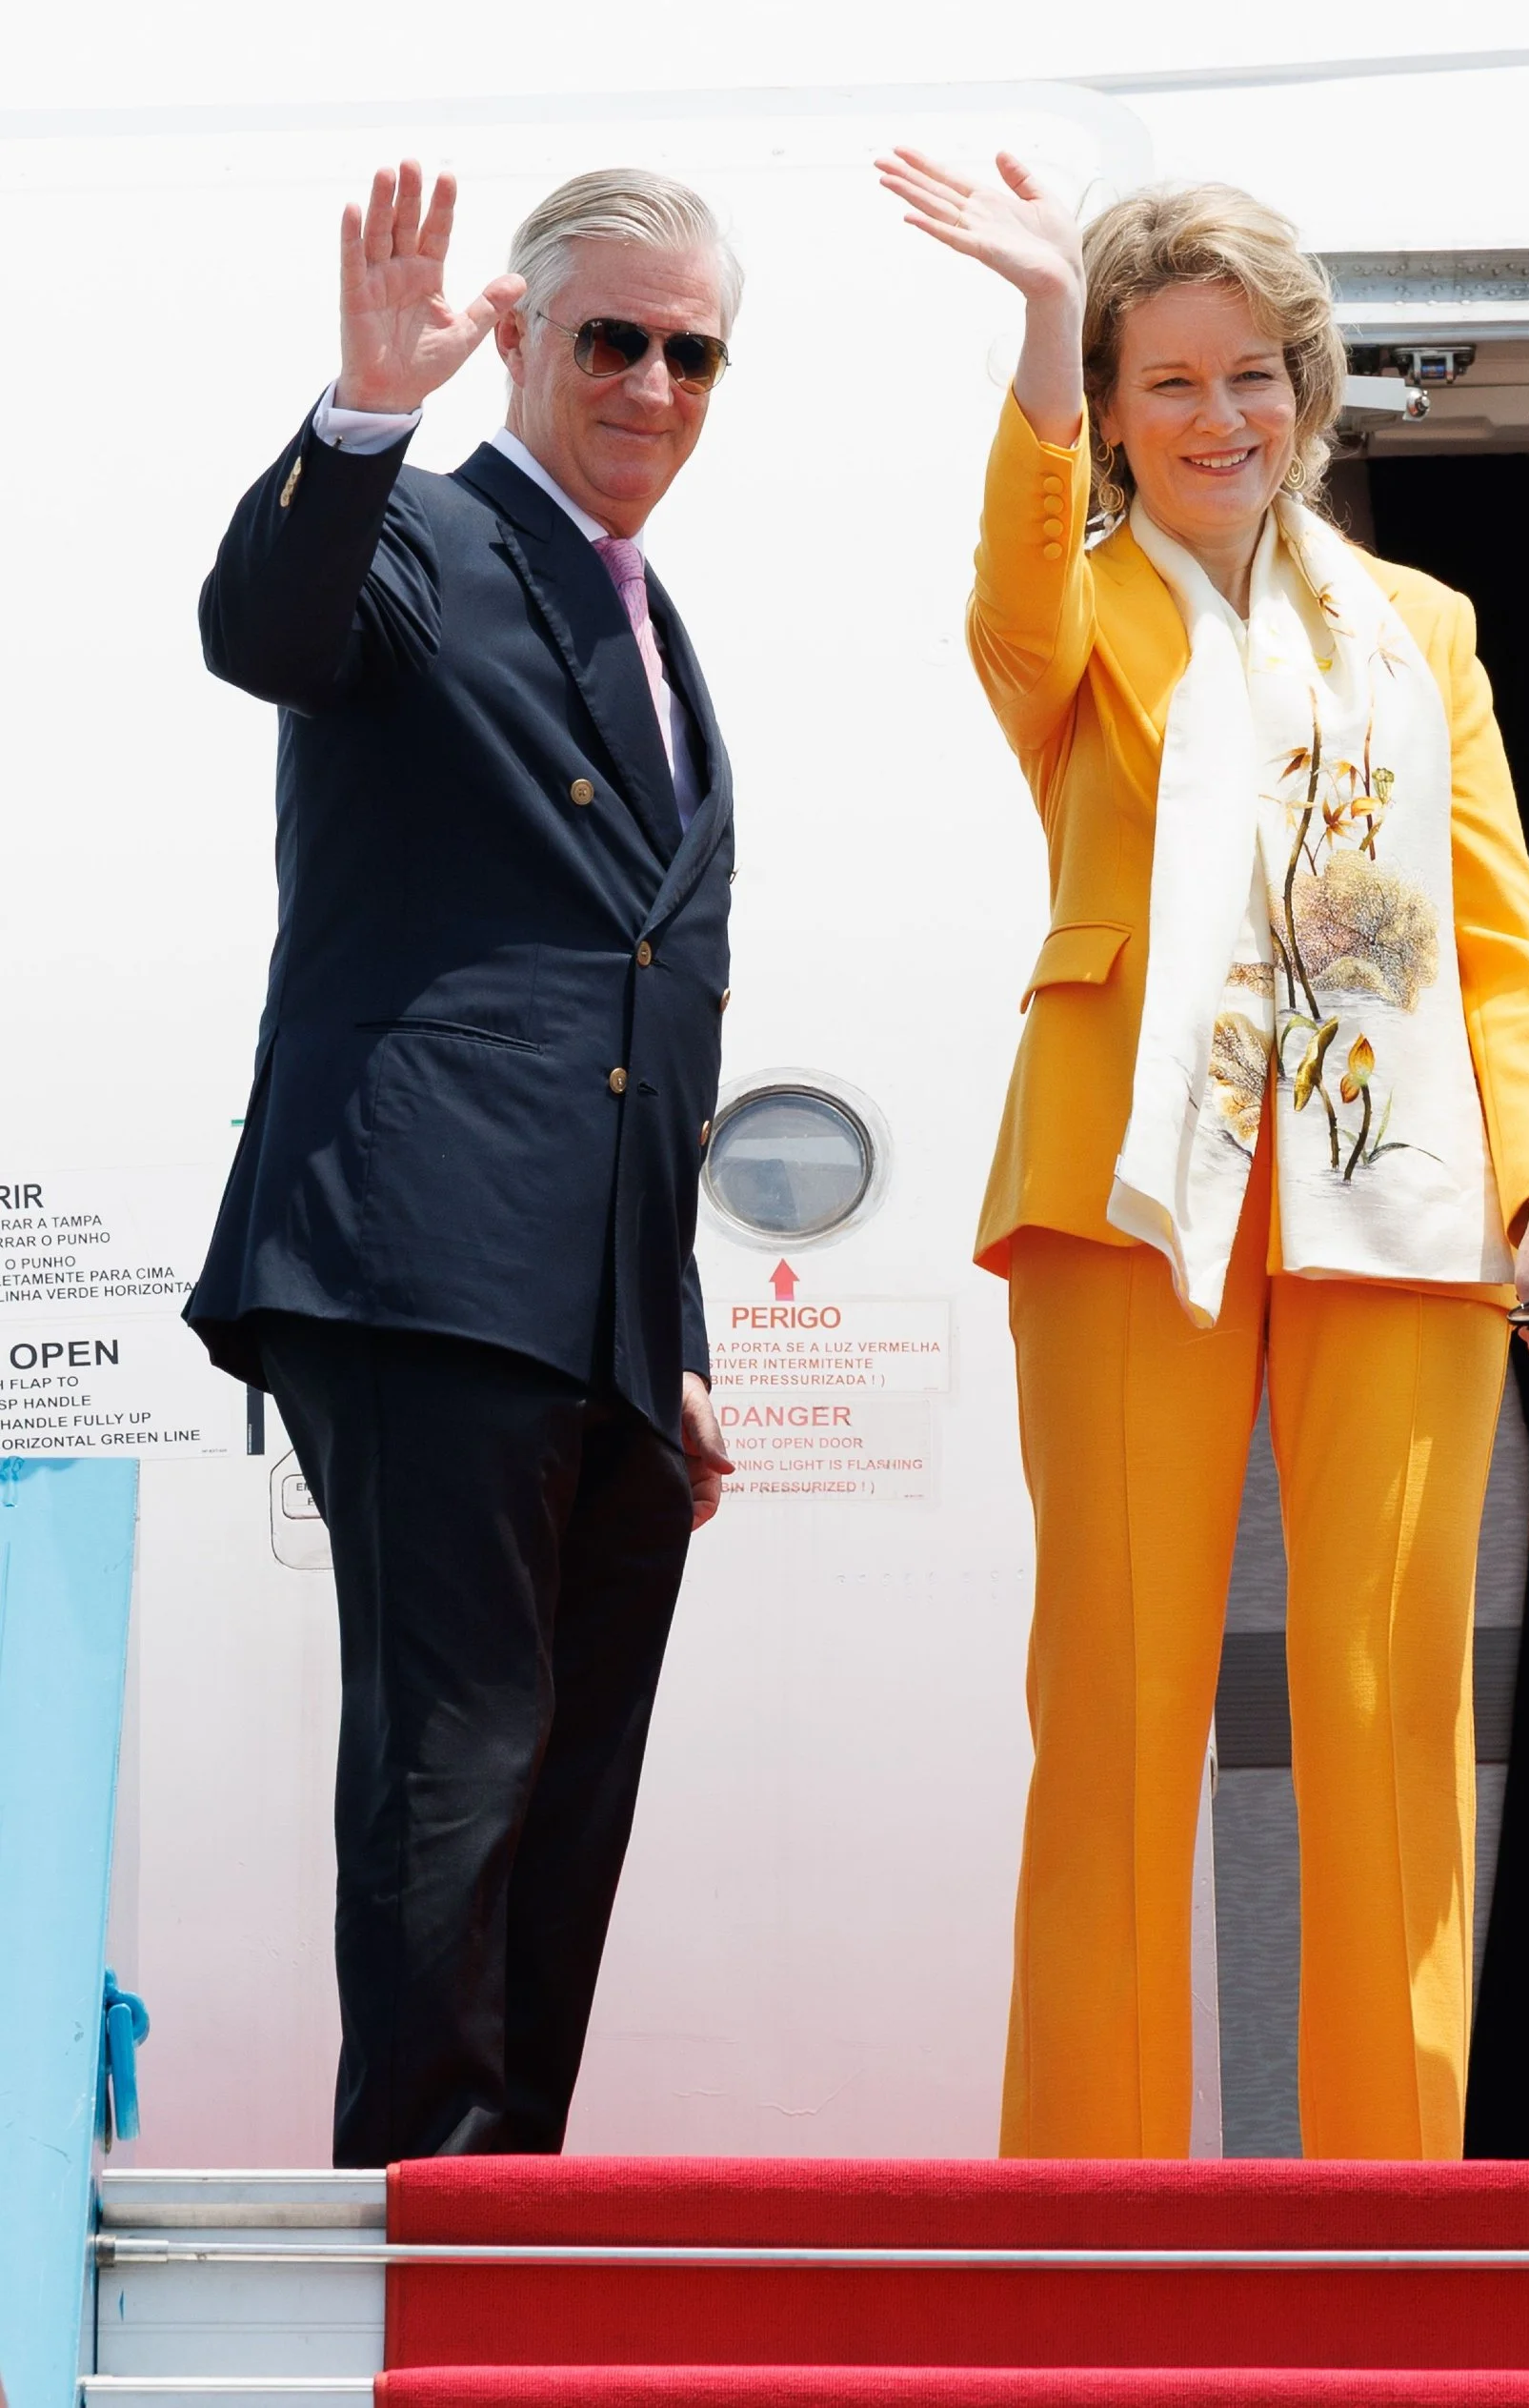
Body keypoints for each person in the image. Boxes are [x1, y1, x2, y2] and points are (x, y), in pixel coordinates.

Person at [876, 151, 1529, 2160]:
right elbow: (1012, 594)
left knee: (1390, 1721)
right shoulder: (1072, 612)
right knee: (1115, 1711)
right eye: (1168, 382)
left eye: (1251, 374)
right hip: (1123, 1202)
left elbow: (1498, 944)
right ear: (1112, 415)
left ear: (1305, 385)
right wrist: (1046, 324)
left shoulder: (1422, 630)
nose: (1219, 418)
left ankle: (1390, 2206)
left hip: (1403, 1204)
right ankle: (1088, 2211)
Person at [186, 161, 740, 2165]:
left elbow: (644, 1005)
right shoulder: (417, 530)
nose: (653, 385)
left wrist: (671, 1329)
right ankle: (422, 2212)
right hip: (422, 1251)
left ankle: (509, 2208)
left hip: (596, 1302)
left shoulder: (655, 626)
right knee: (461, 1748)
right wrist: (362, 413)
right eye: (614, 340)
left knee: (568, 1778)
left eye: (693, 353)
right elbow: (266, 627)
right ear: (521, 333)